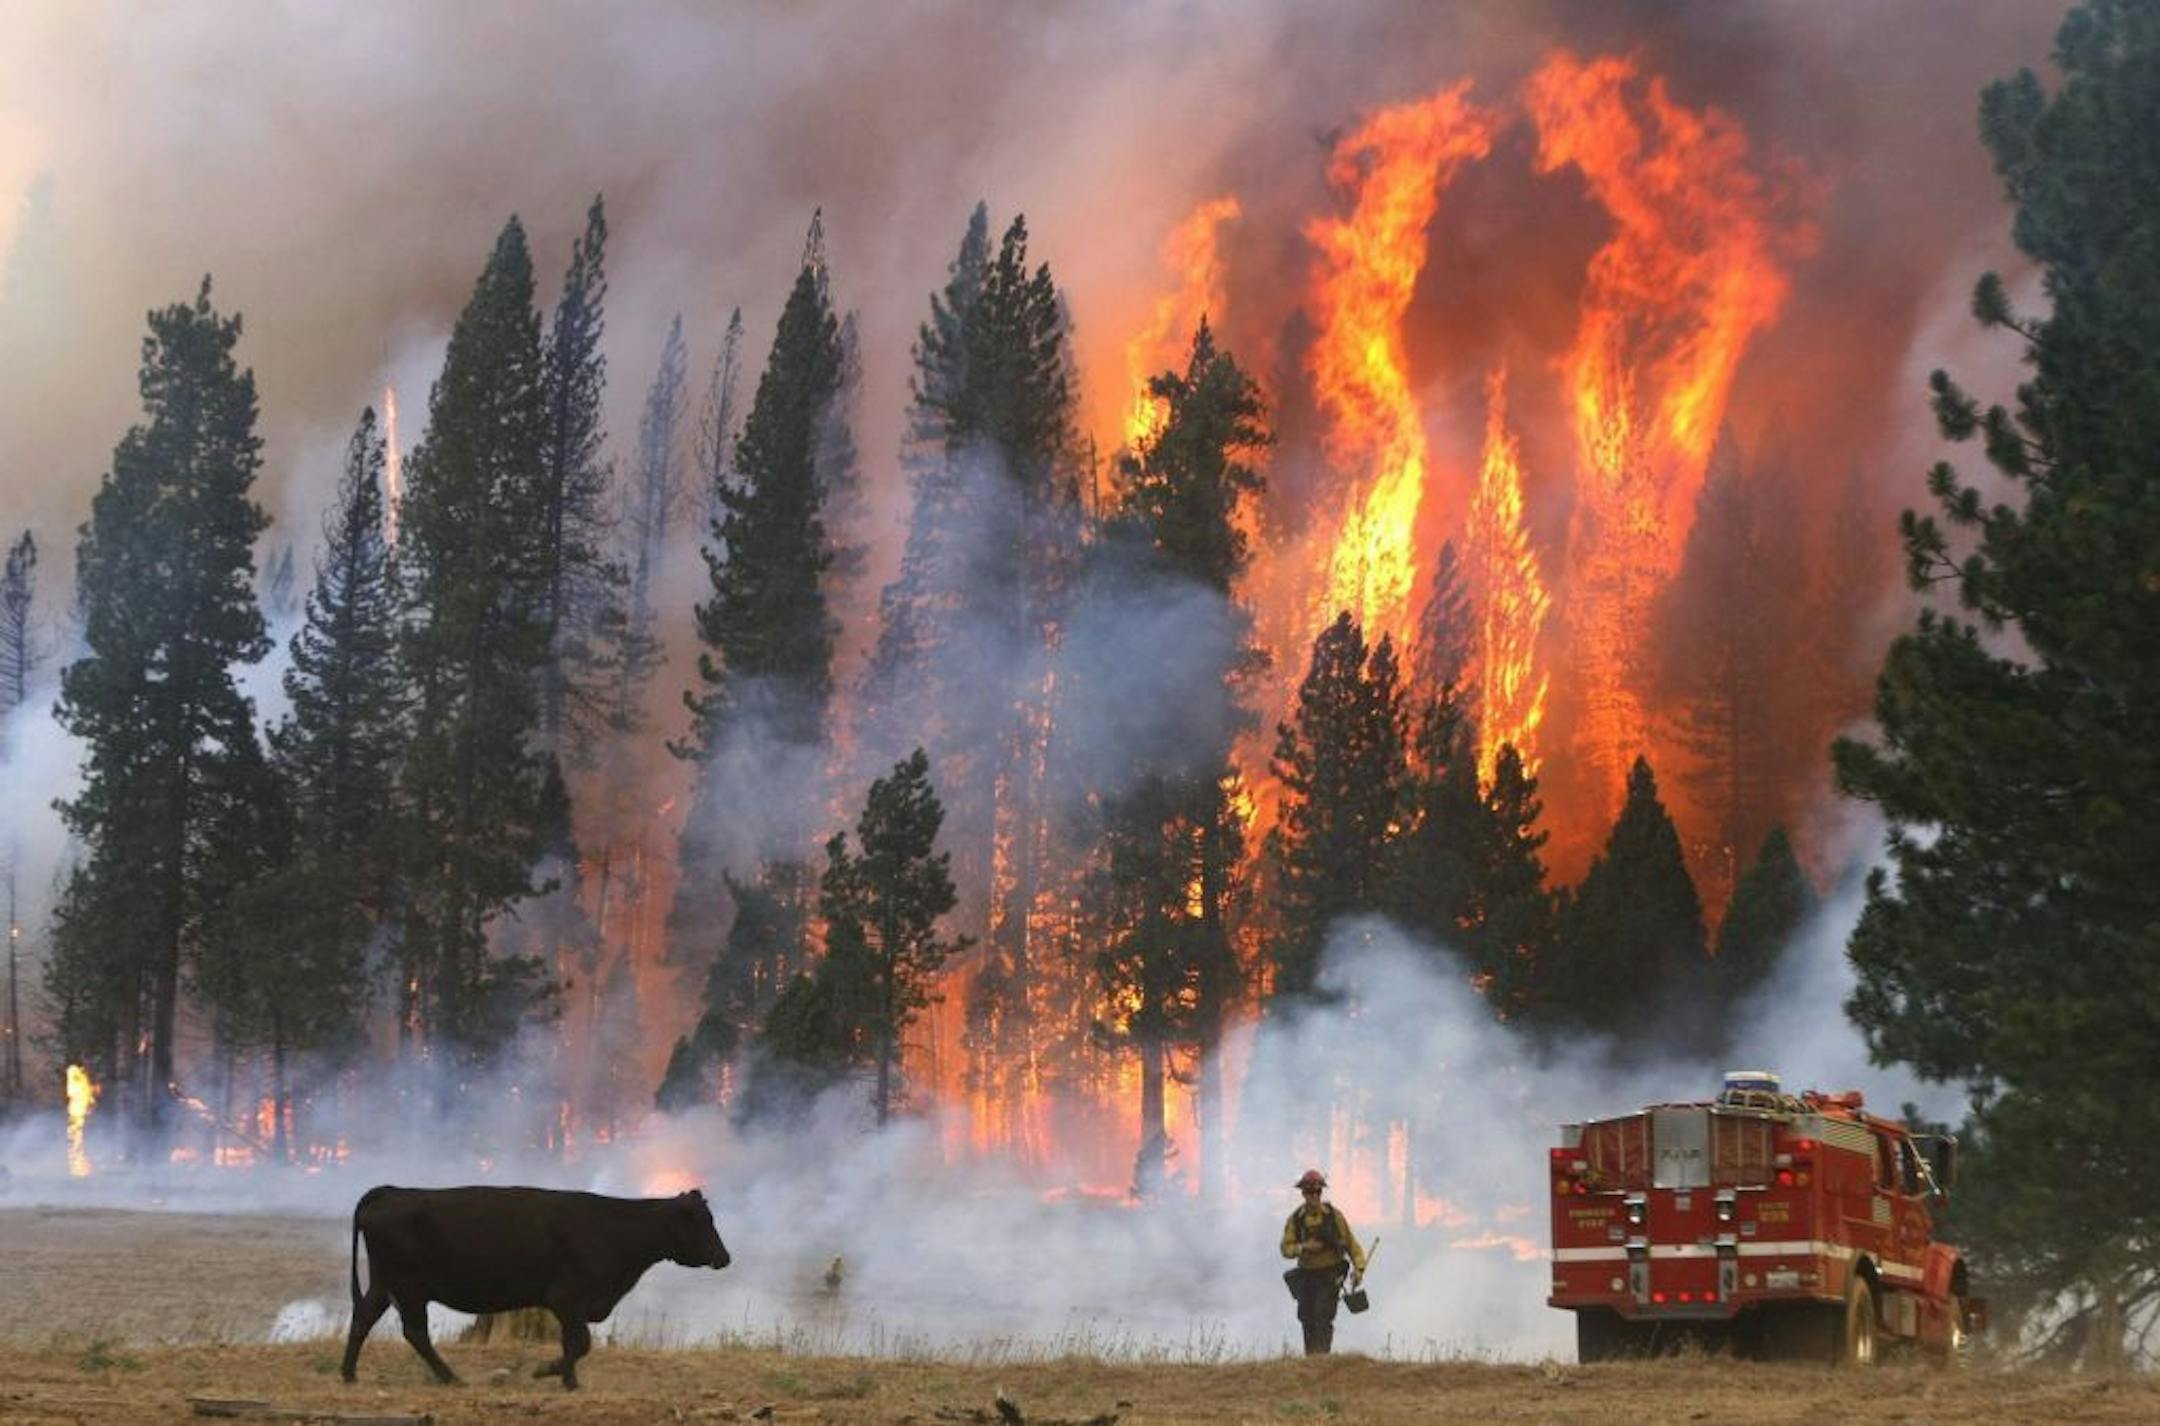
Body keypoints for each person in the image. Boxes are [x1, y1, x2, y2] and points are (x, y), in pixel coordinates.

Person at [1279, 1168, 1365, 1355]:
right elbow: (1285, 1249)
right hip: (1307, 1276)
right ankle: (1311, 1360)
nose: (1314, 1196)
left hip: (1330, 1274)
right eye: (1310, 1192)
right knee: (1306, 1317)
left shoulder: (1334, 1217)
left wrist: (1359, 1269)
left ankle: (1321, 1360)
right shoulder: (1296, 1220)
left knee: (1323, 1315)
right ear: (1303, 1193)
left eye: (1318, 1191)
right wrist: (1303, 1247)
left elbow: (1352, 1245)